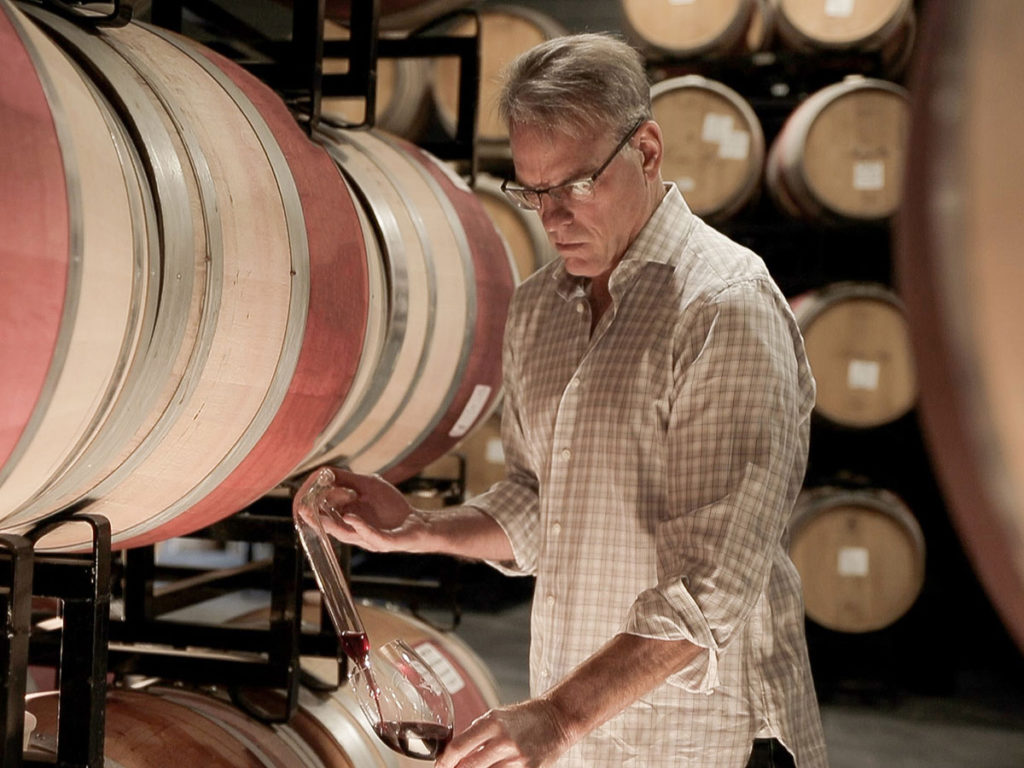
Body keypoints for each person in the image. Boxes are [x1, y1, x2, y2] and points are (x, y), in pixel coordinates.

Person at [298, 32, 829, 768]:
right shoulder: (541, 307)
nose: (551, 218)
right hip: (586, 735)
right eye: (532, 191)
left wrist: (558, 715)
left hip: (704, 739)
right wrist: (420, 528)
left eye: (575, 185)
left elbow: (712, 588)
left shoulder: (724, 308)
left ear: (646, 151)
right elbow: (544, 501)